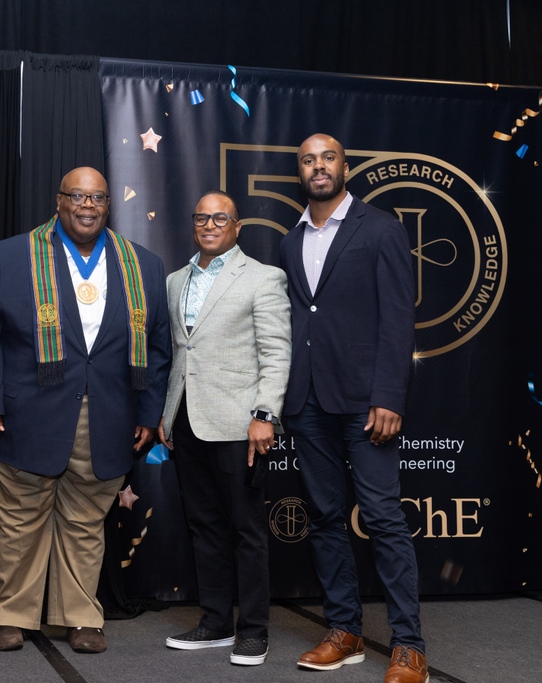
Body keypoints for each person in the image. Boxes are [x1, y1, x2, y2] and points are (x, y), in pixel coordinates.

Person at [0, 167, 171, 654]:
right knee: (19, 520)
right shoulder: (10, 256)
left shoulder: (142, 263)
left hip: (110, 416)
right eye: (77, 196)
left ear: (107, 205)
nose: (87, 205)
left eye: (97, 197)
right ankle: (11, 613)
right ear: (58, 201)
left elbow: (158, 346)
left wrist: (148, 411)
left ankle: (79, 615)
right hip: (24, 415)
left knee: (85, 521)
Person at [279, 133, 428, 683]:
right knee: (323, 517)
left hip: (367, 403)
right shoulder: (291, 240)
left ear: (346, 167)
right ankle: (344, 631)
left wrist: (389, 395)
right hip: (309, 401)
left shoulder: (382, 228)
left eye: (328, 158)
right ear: (300, 171)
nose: (318, 167)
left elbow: (398, 319)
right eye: (308, 160)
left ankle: (409, 645)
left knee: (384, 518)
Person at [158, 190, 291, 666]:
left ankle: (253, 631)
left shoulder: (263, 278)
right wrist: (166, 414)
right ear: (193, 225)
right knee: (204, 527)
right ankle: (215, 623)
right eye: (202, 218)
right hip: (187, 421)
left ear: (237, 226)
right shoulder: (176, 281)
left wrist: (264, 414)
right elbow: (179, 355)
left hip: (241, 424)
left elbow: (276, 353)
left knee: (246, 530)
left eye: (220, 218)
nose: (209, 225)